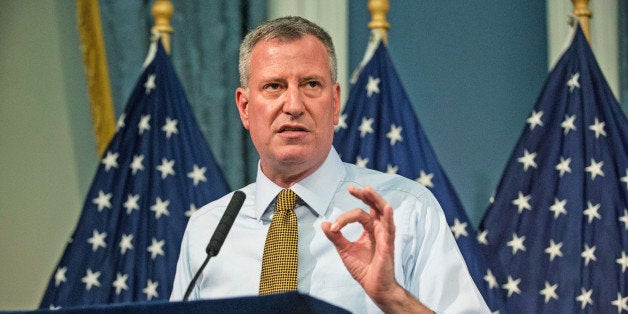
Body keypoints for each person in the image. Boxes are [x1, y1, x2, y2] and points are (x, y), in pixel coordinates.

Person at [170, 16, 490, 313]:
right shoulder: (208, 231)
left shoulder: (406, 210)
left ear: (334, 103)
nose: (294, 106)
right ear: (244, 107)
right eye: (274, 86)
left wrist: (392, 296)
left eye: (311, 85)